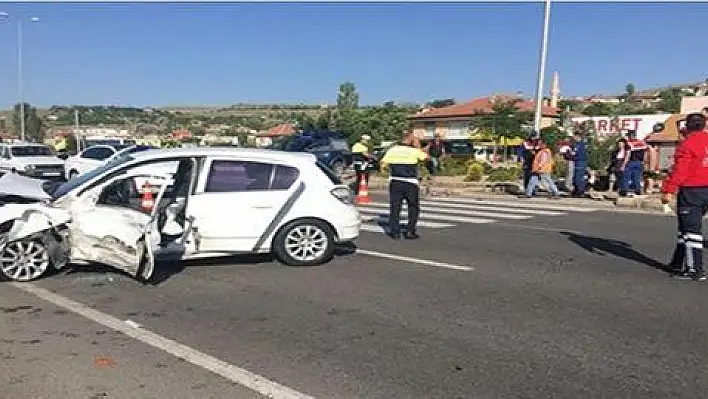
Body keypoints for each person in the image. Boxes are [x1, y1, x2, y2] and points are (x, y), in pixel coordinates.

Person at [662, 113, 708, 281]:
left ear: (687, 126)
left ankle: (695, 269)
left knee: (691, 230)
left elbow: (681, 170)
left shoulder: (687, 144)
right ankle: (677, 262)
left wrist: (669, 190)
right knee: (685, 228)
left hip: (692, 189)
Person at [379, 132, 429, 240]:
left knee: (395, 206)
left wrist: (388, 171)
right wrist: (419, 146)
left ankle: (395, 232)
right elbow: (426, 159)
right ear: (410, 140)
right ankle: (410, 231)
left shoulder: (392, 150)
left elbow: (383, 164)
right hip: (410, 182)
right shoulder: (414, 151)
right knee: (413, 206)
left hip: (395, 181)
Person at [619, 129, 647, 197]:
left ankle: (624, 191)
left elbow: (628, 155)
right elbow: (646, 153)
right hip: (639, 163)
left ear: (630, 135)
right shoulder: (642, 143)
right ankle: (638, 190)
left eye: (628, 136)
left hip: (631, 162)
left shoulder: (629, 143)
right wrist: (644, 162)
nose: (628, 137)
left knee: (626, 177)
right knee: (636, 178)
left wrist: (623, 165)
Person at [569, 132, 589, 197]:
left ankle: (580, 191)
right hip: (578, 162)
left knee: (578, 178)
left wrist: (572, 155)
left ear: (578, 137)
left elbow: (579, 154)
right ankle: (577, 191)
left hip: (580, 162)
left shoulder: (581, 145)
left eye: (575, 137)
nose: (574, 138)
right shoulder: (577, 144)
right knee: (575, 178)